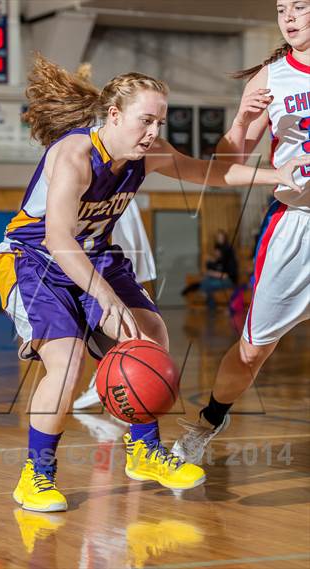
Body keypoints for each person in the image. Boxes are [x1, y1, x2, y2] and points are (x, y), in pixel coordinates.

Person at [0, 53, 305, 513]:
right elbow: (59, 237)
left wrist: (275, 174)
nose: (154, 132)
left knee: (151, 336)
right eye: (145, 120)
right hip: (35, 259)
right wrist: (102, 295)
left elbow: (211, 173)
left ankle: (143, 451)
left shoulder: (150, 153)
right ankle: (36, 476)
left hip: (96, 253)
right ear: (114, 116)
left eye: (159, 121)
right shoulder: (74, 155)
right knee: (68, 361)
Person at [172, 0, 310, 463]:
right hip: (297, 225)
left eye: (300, 7)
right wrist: (241, 120)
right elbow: (227, 166)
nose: (288, 18)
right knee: (252, 351)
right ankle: (208, 421)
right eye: (281, 9)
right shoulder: (271, 77)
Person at [73, 197, 157, 410]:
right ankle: (108, 372)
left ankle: (111, 373)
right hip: (91, 225)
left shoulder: (123, 185)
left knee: (123, 313)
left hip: (110, 214)